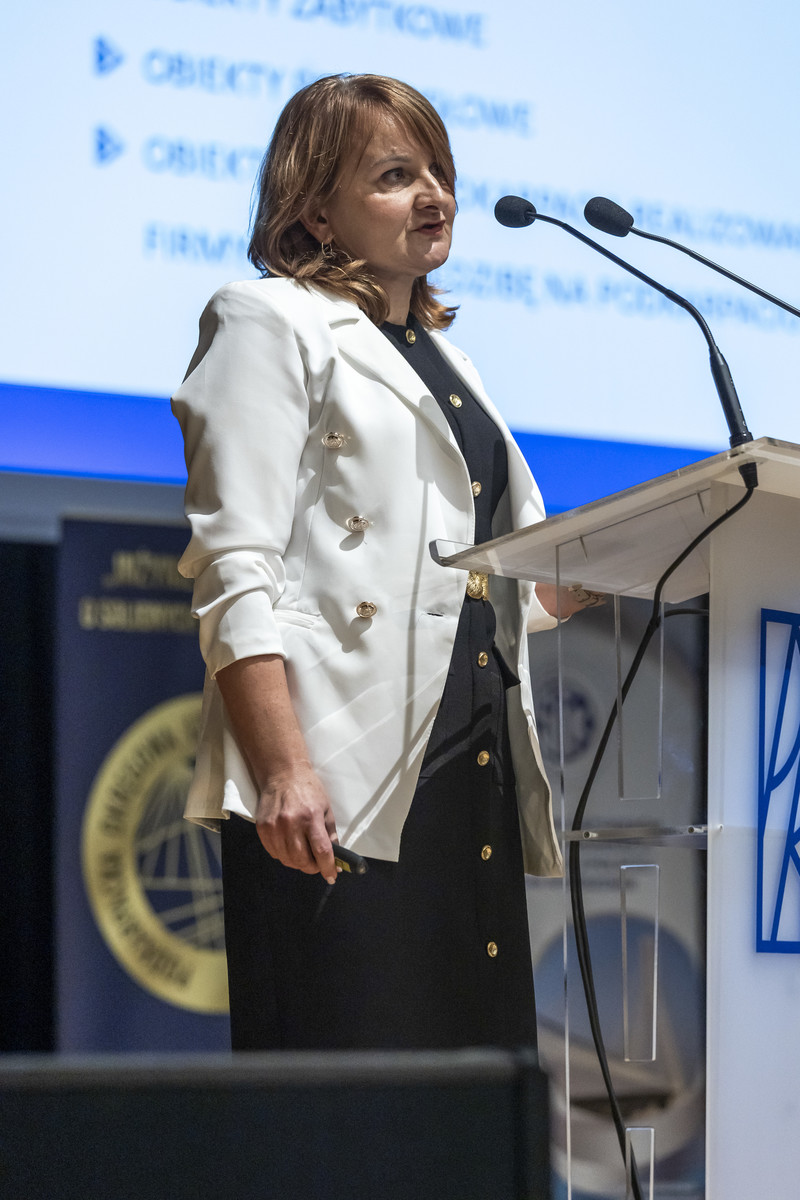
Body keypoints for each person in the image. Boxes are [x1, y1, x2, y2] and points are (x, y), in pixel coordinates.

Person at [172, 73, 597, 1052]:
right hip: (340, 777)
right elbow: (235, 564)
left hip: (466, 765)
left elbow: (488, 585)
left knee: (468, 1096)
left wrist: (612, 565)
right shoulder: (266, 319)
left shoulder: (453, 364)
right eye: (396, 176)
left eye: (439, 171)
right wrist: (284, 770)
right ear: (316, 210)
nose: (434, 195)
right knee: (350, 1094)